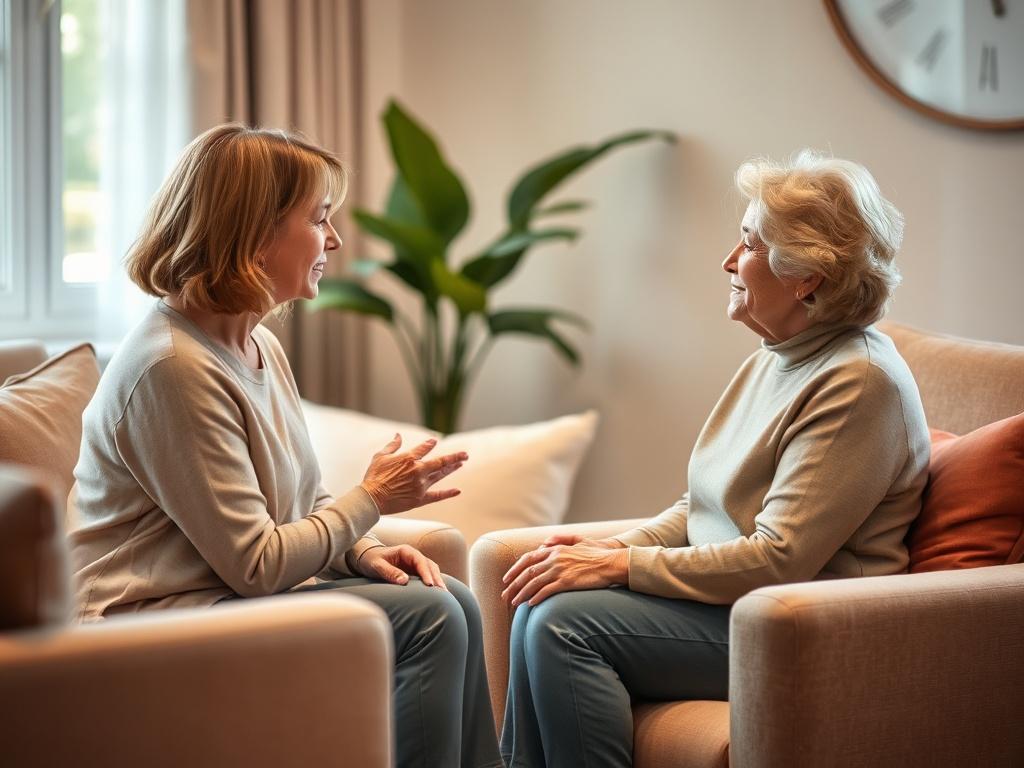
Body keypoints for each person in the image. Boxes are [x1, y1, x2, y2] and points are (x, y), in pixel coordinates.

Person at [69, 124, 503, 768]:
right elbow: (258, 565)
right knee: (428, 619)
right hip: (145, 625)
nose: (333, 239)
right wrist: (374, 499)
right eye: (318, 218)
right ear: (254, 233)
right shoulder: (173, 368)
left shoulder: (256, 343)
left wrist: (363, 554)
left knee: (453, 601)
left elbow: (305, 501)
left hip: (220, 600)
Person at [499, 151, 930, 767]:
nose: (729, 260)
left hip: (804, 620)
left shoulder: (858, 382)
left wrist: (622, 565)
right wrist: (606, 551)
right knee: (540, 601)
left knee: (566, 626)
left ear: (806, 275)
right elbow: (701, 504)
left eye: (750, 244)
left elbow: (782, 557)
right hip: (733, 602)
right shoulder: (777, 354)